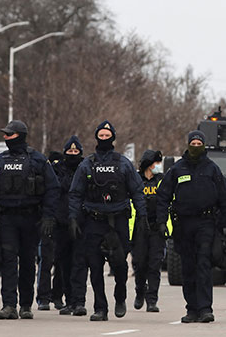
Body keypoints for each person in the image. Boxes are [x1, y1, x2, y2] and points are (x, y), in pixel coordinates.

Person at [0, 120, 60, 320]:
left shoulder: (38, 161)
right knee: (8, 261)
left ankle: (25, 305)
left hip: (31, 218)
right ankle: (9, 305)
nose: (5, 137)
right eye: (5, 134)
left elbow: (52, 189)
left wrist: (49, 216)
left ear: (20, 135)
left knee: (28, 262)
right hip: (6, 219)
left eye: (9, 134)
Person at [157, 130, 226, 324]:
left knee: (203, 264)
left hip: (206, 224)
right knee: (188, 267)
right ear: (187, 145)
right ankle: (191, 309)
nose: (195, 146)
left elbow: (225, 200)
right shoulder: (177, 169)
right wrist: (161, 221)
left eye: (198, 143)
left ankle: (205, 309)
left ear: (203, 145)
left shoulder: (212, 169)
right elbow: (163, 196)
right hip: (183, 224)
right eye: (192, 143)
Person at [68, 120, 147, 321]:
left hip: (118, 220)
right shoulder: (87, 164)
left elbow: (137, 191)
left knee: (120, 264)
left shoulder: (123, 163)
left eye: (107, 135)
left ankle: (120, 297)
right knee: (94, 266)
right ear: (96, 138)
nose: (104, 139)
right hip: (94, 221)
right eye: (101, 136)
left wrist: (142, 216)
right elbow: (75, 194)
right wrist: (73, 218)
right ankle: (100, 308)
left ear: (113, 137)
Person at [52, 137, 88, 317]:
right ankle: (69, 300)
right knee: (64, 263)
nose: (73, 154)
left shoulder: (86, 167)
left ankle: (79, 301)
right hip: (61, 222)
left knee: (80, 263)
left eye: (76, 152)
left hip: (82, 222)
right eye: (70, 151)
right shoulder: (57, 169)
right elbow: (54, 189)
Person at [132, 149, 165, 313]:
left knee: (154, 264)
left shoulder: (162, 180)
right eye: (156, 163)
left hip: (157, 227)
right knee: (139, 263)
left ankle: (152, 300)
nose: (158, 166)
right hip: (139, 228)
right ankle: (140, 291)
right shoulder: (136, 180)